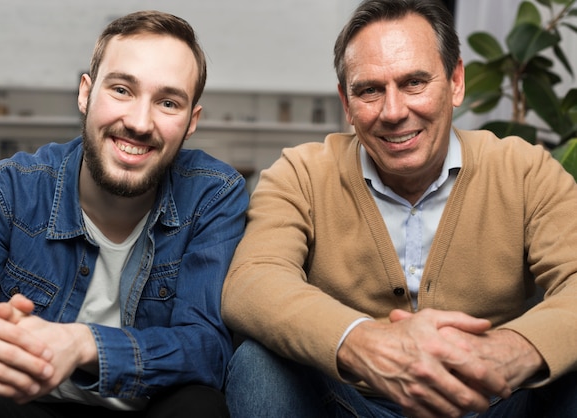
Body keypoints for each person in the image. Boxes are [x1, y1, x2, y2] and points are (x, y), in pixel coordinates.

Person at [220, 0, 577, 417]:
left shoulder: (524, 169)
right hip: (352, 403)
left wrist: (514, 349)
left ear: (456, 81)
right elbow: (252, 281)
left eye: (414, 83)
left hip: (496, 401)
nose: (393, 112)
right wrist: (364, 342)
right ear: (346, 103)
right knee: (256, 364)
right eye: (370, 90)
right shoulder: (301, 172)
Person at [0, 10, 248, 418]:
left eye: (167, 102)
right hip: (26, 405)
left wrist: (80, 343)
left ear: (191, 121)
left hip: (147, 406)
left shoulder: (214, 195)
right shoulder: (7, 190)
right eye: (122, 90)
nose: (140, 123)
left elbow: (206, 351)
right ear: (85, 93)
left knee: (200, 405)